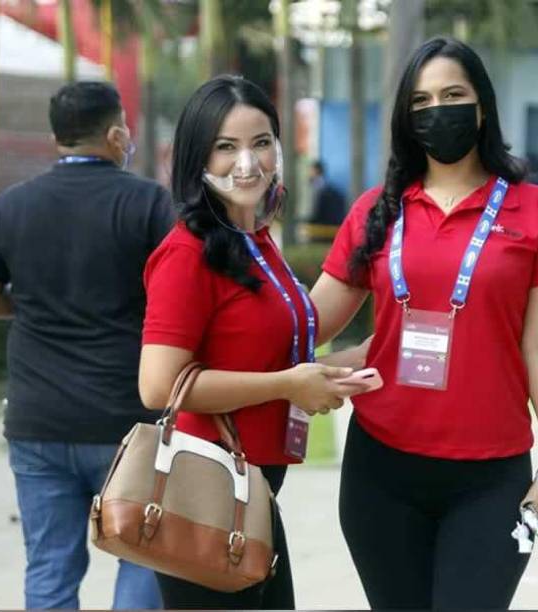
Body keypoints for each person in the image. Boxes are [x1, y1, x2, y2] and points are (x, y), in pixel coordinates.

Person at [308, 37, 538, 609]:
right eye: (422, 101)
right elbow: (306, 322)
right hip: (381, 470)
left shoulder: (535, 211)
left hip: (491, 477)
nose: (439, 110)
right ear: (408, 120)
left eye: (453, 94)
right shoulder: (376, 212)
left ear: (482, 106)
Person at [137, 75, 369, 610]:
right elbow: (157, 384)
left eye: (261, 143)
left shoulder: (255, 240)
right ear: (197, 158)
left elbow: (263, 351)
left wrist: (338, 365)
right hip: (206, 494)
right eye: (226, 147)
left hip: (254, 492)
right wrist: (289, 384)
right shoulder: (187, 252)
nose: (248, 163)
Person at [0, 81, 169, 610]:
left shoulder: (10, 207)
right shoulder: (148, 204)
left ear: (57, 137)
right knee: (143, 555)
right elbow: (182, 293)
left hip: (38, 422)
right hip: (127, 420)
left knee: (50, 566)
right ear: (117, 134)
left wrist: (26, 306)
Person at [306, 159, 348, 228]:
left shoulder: (321, 190)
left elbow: (319, 214)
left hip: (324, 227)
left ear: (316, 171)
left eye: (311, 171)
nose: (309, 173)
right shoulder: (326, 189)